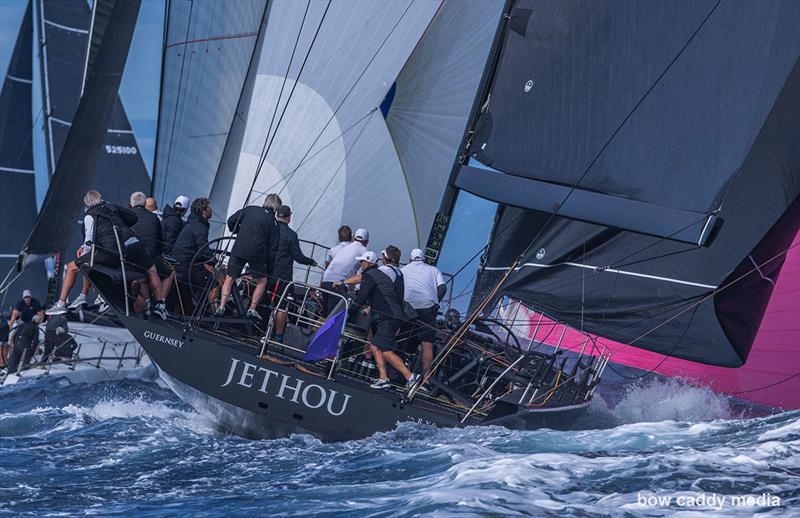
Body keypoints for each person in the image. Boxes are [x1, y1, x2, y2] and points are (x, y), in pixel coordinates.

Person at [46, 190, 167, 319]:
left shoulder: (90, 215)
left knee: (73, 266)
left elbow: (88, 241)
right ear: (101, 199)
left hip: (113, 250)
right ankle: (160, 305)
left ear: (86, 205)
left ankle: (62, 303)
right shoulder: (112, 207)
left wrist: (82, 255)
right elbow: (132, 217)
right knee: (152, 270)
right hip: (132, 244)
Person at [350, 249, 419, 390]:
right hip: (391, 315)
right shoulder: (399, 273)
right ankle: (383, 378)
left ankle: (410, 377)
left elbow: (362, 281)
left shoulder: (383, 271)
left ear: (386, 258)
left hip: (387, 315)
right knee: (375, 345)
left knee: (386, 350)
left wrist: (342, 282)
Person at [217, 195, 282, 321]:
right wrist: (269, 266)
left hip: (239, 248)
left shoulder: (250, 209)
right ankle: (252, 309)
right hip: (257, 254)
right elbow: (272, 248)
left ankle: (221, 307)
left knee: (229, 278)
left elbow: (231, 220)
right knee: (262, 281)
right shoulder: (274, 223)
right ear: (276, 208)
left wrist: (237, 231)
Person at [270, 206, 317, 341]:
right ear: (289, 217)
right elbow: (298, 257)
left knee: (269, 302)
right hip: (283, 276)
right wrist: (311, 262)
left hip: (267, 273)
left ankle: (262, 330)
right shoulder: (291, 235)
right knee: (282, 306)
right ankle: (278, 336)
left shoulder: (270, 228)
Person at [401, 248, 446, 375]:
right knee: (427, 345)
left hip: (408, 307)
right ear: (424, 259)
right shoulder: (434, 270)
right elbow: (443, 287)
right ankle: (425, 381)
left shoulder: (403, 270)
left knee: (400, 339)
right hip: (427, 308)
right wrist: (436, 303)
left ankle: (396, 372)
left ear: (410, 259)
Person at [172, 197, 220, 312]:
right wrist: (215, 261)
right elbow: (203, 249)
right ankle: (213, 315)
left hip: (181, 261)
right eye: (209, 208)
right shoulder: (200, 226)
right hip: (187, 265)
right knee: (213, 283)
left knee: (206, 274)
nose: (211, 210)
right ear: (203, 211)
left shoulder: (193, 223)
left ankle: (198, 306)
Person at [130, 192, 174, 311]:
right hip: (148, 258)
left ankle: (147, 302)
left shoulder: (127, 215)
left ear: (131, 204)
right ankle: (160, 303)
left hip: (128, 257)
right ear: (144, 204)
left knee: (145, 275)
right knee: (169, 273)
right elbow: (160, 242)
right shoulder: (154, 218)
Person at [321, 228, 368, 315]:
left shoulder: (347, 247)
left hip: (325, 281)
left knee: (325, 315)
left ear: (354, 238)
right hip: (337, 285)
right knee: (333, 317)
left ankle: (315, 327)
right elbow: (363, 274)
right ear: (366, 242)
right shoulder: (364, 251)